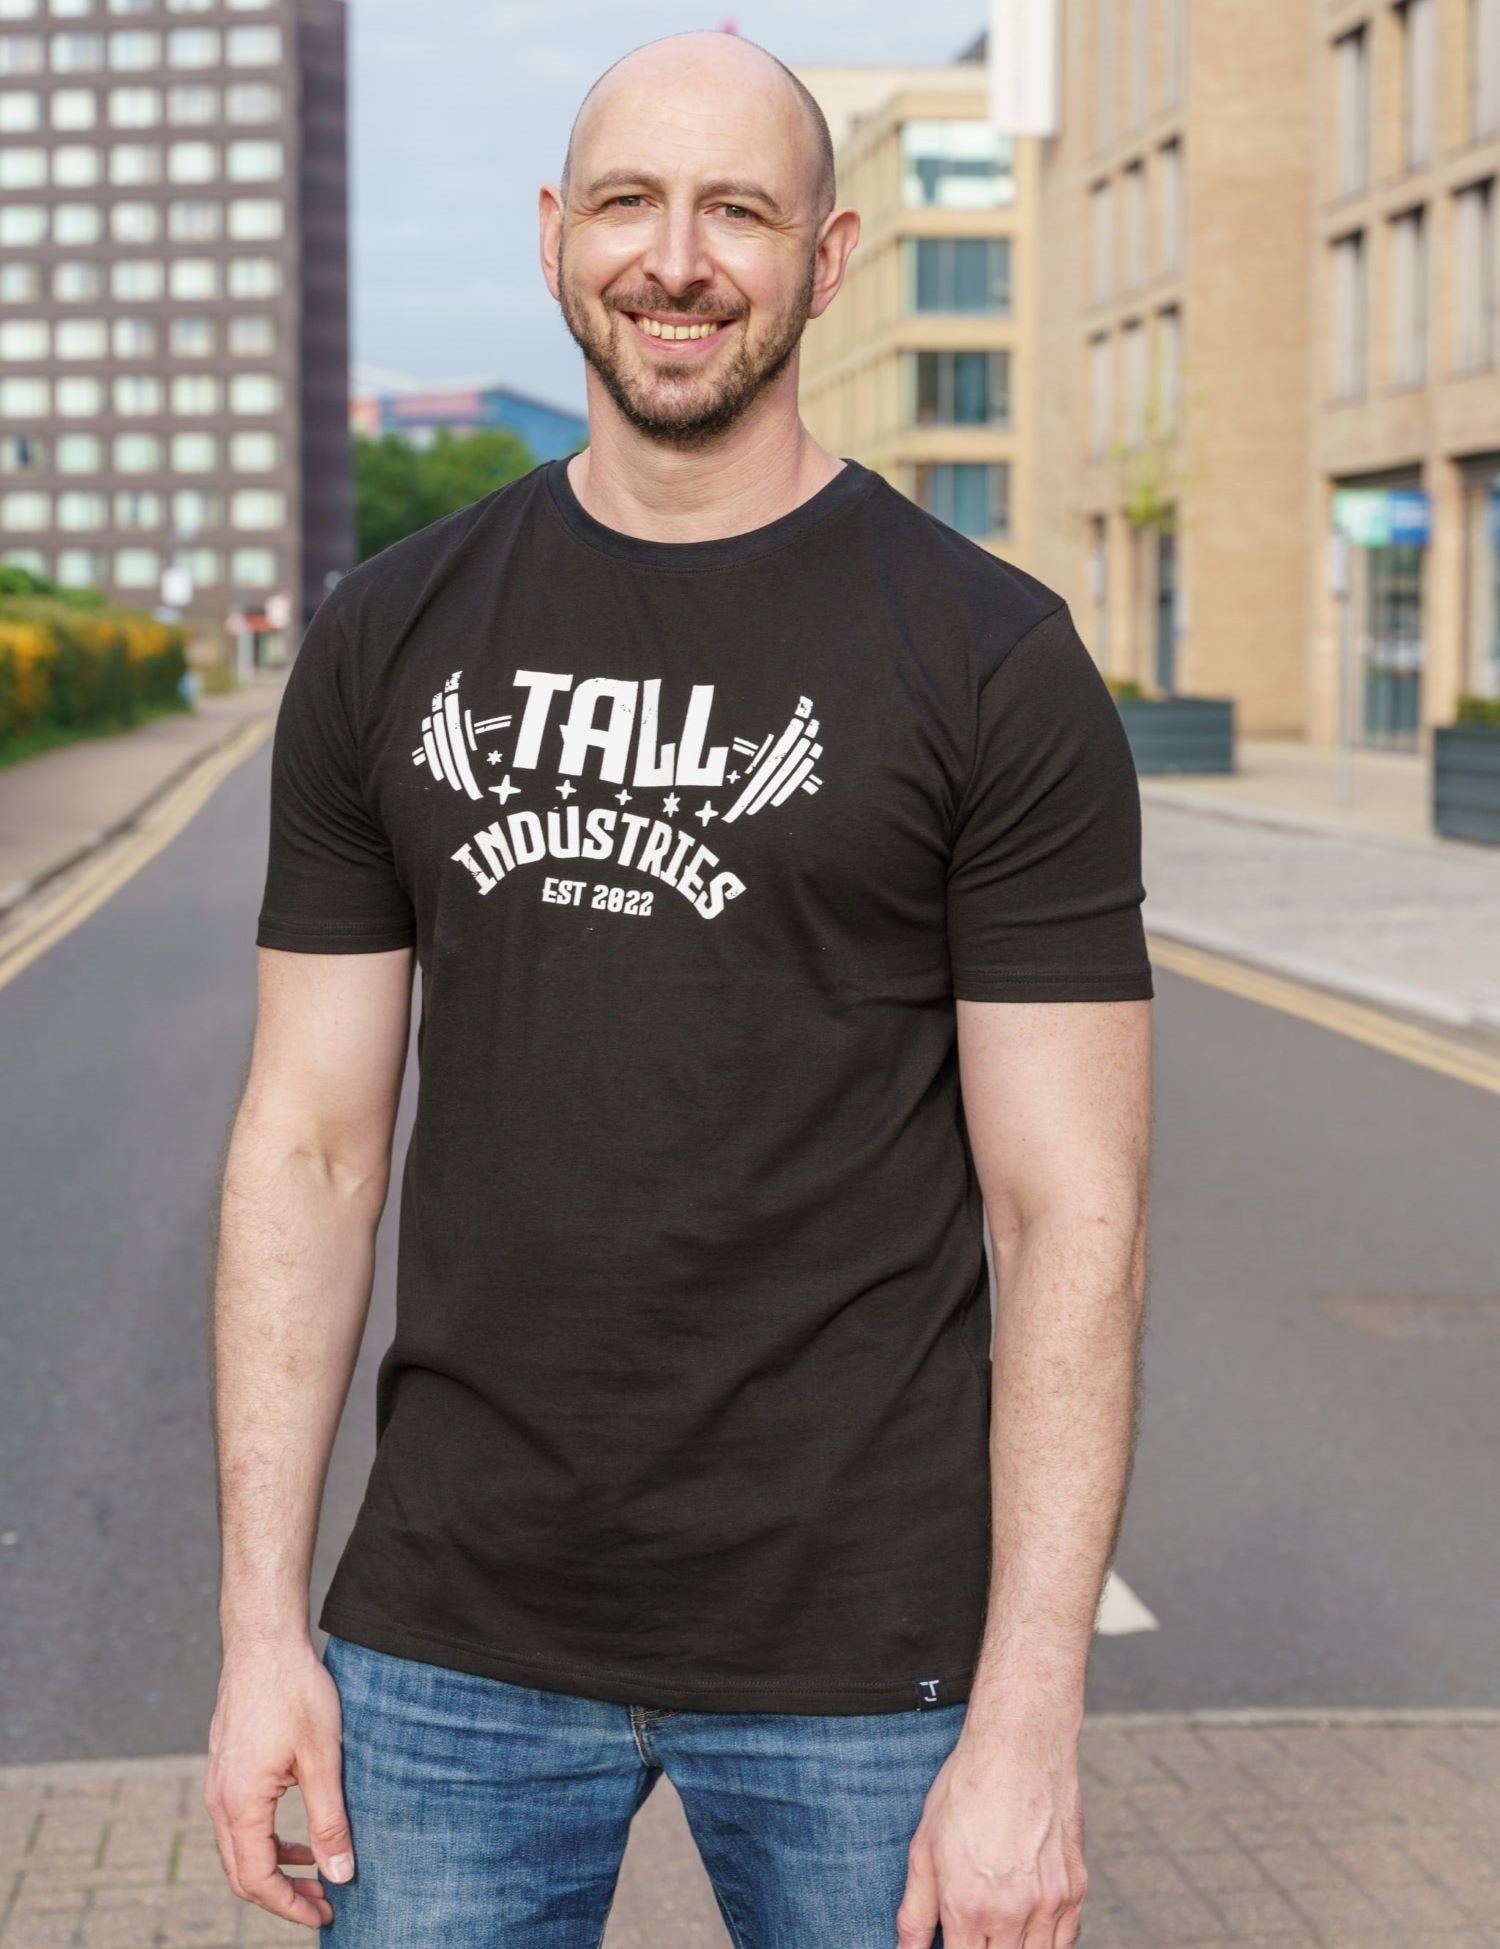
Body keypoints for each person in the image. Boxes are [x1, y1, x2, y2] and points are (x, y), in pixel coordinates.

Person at [204, 27, 1153, 1949]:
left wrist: (1030, 1716)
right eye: (631, 201)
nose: (678, 256)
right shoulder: (392, 634)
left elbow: (1075, 1215)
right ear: (558, 235)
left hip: (864, 1662)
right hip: (449, 1644)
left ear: (830, 255)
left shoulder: (989, 661)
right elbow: (307, 1151)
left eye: (740, 209)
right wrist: (255, 1632)